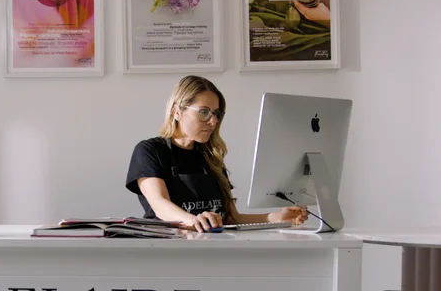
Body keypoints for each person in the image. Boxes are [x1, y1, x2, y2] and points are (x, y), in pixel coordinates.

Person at [125, 75, 309, 232]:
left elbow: (231, 218)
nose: (213, 121)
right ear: (177, 111)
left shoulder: (210, 157)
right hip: (170, 250)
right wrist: (194, 220)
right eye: (204, 112)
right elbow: (160, 206)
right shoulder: (150, 151)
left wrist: (276, 217)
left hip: (215, 249)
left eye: (216, 114)